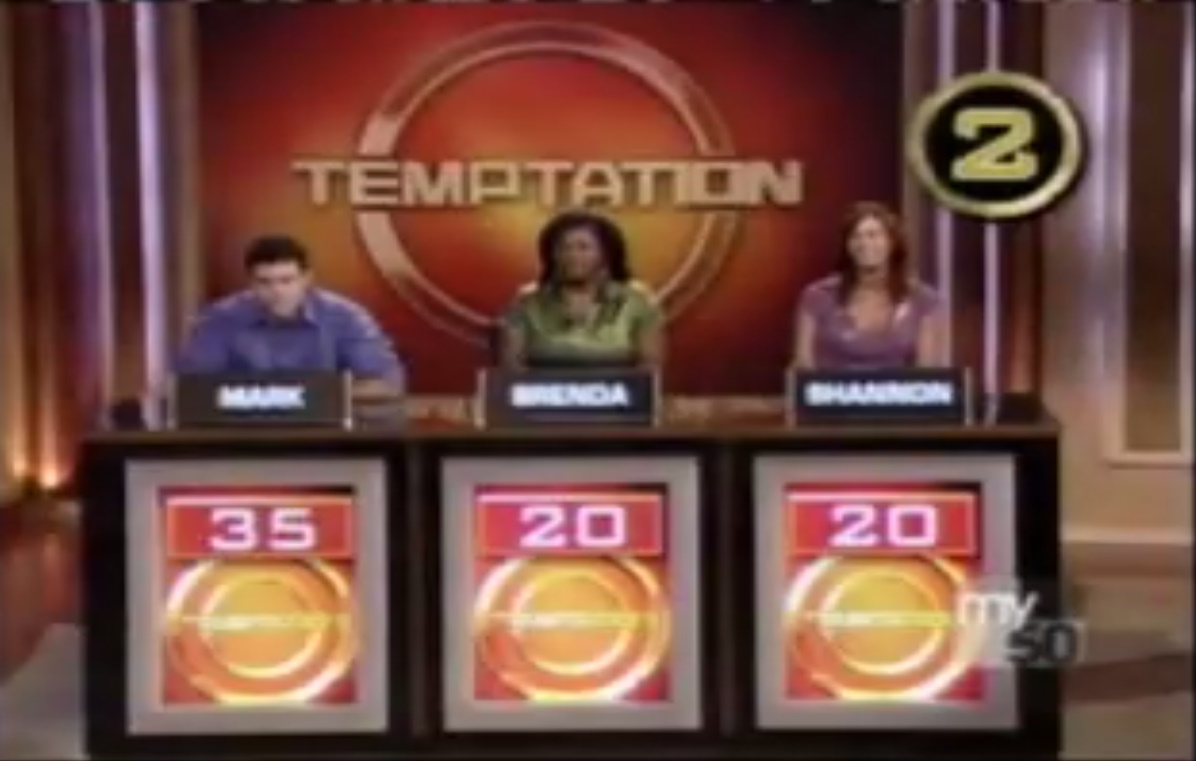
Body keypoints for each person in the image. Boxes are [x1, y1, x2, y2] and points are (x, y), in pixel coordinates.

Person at [176, 235, 404, 401]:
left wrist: (311, 398)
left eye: (286, 280)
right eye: (264, 282)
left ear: (307, 278)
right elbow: (189, 386)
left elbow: (387, 384)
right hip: (244, 432)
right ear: (250, 282)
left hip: (327, 435)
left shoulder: (345, 317)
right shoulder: (220, 319)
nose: (277, 291)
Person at [499, 210, 664, 369]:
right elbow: (512, 369)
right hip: (542, 388)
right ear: (551, 254)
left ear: (605, 254)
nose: (572, 255)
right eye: (564, 248)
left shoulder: (637, 303)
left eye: (583, 247)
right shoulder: (527, 304)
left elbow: (649, 369)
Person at [793, 201, 944, 370]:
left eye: (873, 235)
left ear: (892, 242)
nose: (864, 243)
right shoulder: (817, 296)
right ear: (847, 246)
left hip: (899, 387)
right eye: (855, 236)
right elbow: (803, 366)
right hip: (830, 387)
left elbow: (927, 373)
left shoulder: (923, 300)